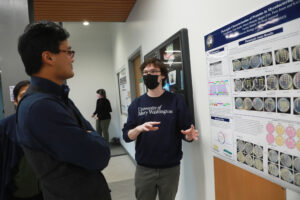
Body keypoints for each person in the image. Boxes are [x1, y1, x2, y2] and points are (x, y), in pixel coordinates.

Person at [16, 21, 111, 200]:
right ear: (49, 57)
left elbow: (92, 142)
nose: (72, 58)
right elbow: (99, 155)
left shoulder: (57, 97)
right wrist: (92, 136)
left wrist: (90, 135)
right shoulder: (40, 107)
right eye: (68, 51)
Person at [122, 58, 199, 200]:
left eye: (152, 71)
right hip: (144, 168)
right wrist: (138, 128)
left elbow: (186, 130)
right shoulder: (136, 104)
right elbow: (127, 136)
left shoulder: (176, 100)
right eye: (145, 72)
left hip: (170, 168)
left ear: (162, 75)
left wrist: (188, 136)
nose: (148, 75)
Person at [0, 80, 43, 200]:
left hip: (44, 191)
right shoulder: (5, 127)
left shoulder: (46, 125)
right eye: (24, 95)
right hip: (18, 192)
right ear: (15, 101)